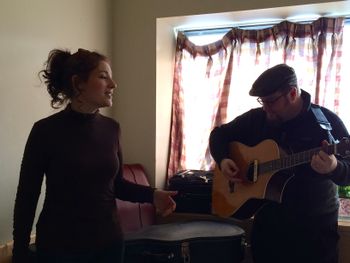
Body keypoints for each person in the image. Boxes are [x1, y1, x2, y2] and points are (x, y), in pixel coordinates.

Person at [12, 48, 177, 263]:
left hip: (109, 244)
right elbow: (27, 195)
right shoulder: (45, 131)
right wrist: (19, 253)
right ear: (78, 83)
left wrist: (153, 195)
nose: (113, 85)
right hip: (59, 247)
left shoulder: (112, 128)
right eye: (103, 77)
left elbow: (116, 184)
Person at [209, 64, 350, 263]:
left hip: (314, 237)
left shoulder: (326, 123)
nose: (264, 108)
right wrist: (223, 159)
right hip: (269, 235)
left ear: (292, 93)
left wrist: (335, 168)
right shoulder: (257, 119)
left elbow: (348, 172)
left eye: (270, 101)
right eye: (261, 101)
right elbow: (219, 135)